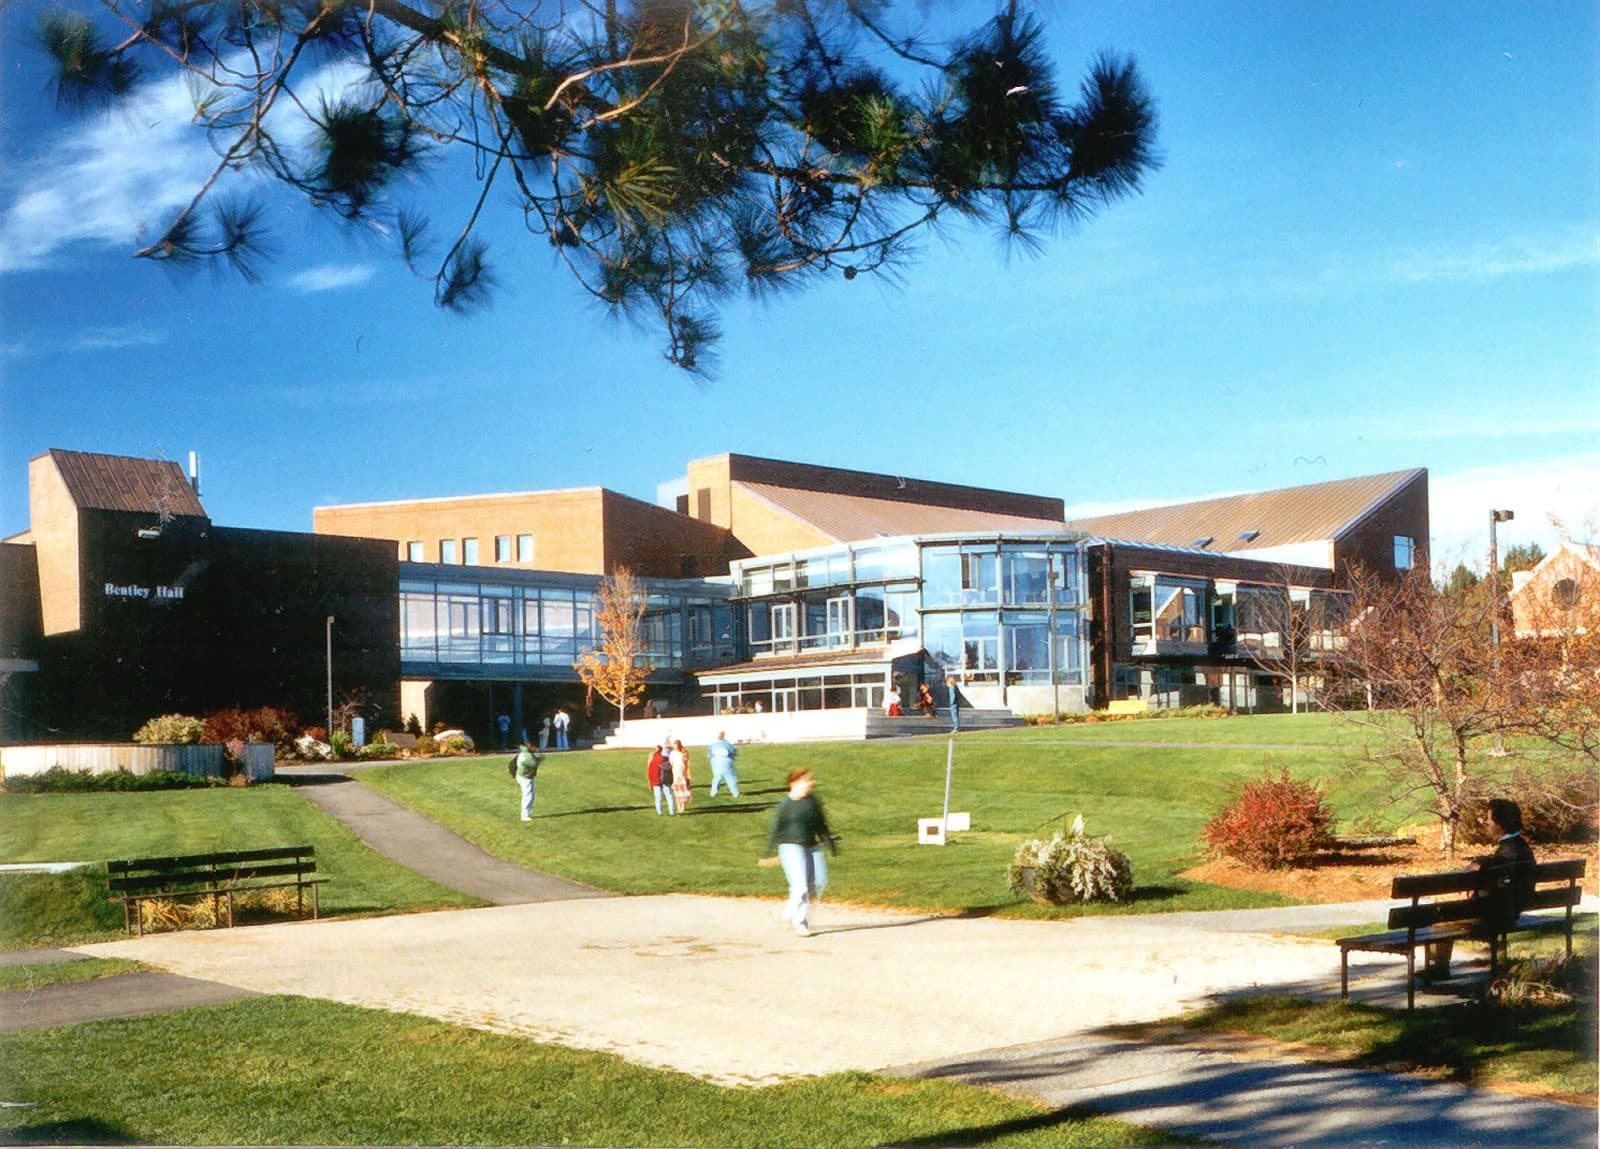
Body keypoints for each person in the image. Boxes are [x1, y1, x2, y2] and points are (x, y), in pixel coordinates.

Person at [760, 769, 836, 937]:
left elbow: (821, 824)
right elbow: (775, 829)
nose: (811, 783)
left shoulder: (812, 802)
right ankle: (797, 920)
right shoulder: (785, 805)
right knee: (800, 886)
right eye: (806, 781)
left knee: (818, 882)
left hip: (811, 846)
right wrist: (767, 851)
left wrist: (829, 843)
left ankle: (794, 914)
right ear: (794, 783)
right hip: (790, 846)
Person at [1477, 798, 1537, 936]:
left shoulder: (1506, 852)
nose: (1487, 822)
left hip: (1497, 916)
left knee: (1441, 924)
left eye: (1489, 819)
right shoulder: (1522, 847)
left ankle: (1437, 959)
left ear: (1500, 824)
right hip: (1515, 909)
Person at [513, 740, 542, 822]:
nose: (536, 749)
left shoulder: (525, 753)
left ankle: (527, 813)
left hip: (524, 776)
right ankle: (524, 815)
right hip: (525, 777)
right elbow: (534, 763)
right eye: (534, 747)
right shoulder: (526, 756)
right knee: (528, 795)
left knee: (530, 795)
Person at [707, 731, 740, 797]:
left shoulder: (713, 744)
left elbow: (709, 754)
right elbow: (734, 752)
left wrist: (711, 759)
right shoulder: (728, 744)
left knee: (717, 777)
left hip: (715, 761)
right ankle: (735, 793)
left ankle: (713, 792)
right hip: (726, 761)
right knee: (730, 777)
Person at [646, 743, 675, 815]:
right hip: (666, 780)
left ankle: (659, 812)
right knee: (669, 796)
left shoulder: (653, 760)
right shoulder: (666, 759)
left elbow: (650, 773)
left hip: (656, 781)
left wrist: (651, 783)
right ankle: (672, 811)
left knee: (658, 797)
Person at [669, 739, 693, 812]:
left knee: (682, 791)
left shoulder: (683, 753)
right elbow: (671, 763)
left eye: (675, 745)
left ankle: (682, 806)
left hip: (682, 773)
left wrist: (687, 773)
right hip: (675, 773)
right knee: (676, 791)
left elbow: (687, 763)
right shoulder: (672, 753)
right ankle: (678, 806)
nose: (674, 746)